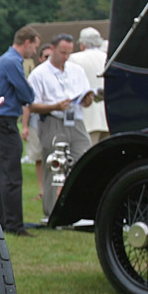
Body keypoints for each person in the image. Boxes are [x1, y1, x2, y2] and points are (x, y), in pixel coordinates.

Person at [28, 33, 94, 218]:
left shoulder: (76, 70)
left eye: (68, 53)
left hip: (76, 120)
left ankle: (80, 209)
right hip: (53, 120)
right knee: (53, 165)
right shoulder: (39, 74)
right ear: (53, 49)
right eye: (62, 52)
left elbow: (84, 95)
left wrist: (87, 99)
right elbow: (32, 105)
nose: (66, 57)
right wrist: (55, 106)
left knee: (84, 160)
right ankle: (51, 212)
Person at [0, 26, 40, 237]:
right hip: (5, 123)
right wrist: (27, 93)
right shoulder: (12, 62)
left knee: (0, 175)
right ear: (26, 42)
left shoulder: (7, 60)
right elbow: (27, 94)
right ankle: (15, 225)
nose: (35, 52)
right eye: (35, 46)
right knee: (11, 176)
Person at [21, 44, 52, 200]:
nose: (48, 59)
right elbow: (27, 104)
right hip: (35, 122)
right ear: (40, 58)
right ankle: (42, 190)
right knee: (38, 157)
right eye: (46, 56)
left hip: (52, 122)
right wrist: (25, 126)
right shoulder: (35, 75)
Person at [69, 27, 109, 144]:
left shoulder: (75, 59)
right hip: (107, 116)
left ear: (82, 44)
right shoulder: (108, 57)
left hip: (87, 118)